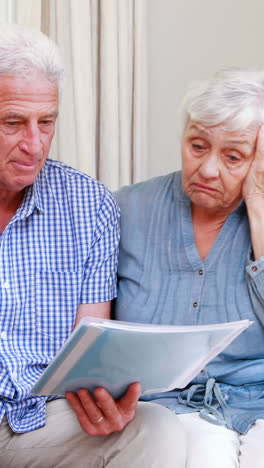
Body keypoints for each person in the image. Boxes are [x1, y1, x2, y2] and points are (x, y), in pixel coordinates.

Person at [0, 24, 186, 468]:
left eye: (46, 123)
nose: (34, 145)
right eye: (12, 123)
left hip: (36, 416)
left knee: (156, 430)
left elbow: (90, 351)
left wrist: (104, 394)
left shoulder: (90, 206)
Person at [114, 67, 264, 468]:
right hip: (164, 409)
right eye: (197, 146)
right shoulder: (128, 208)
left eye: (233, 156)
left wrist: (260, 208)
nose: (209, 168)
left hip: (258, 403)